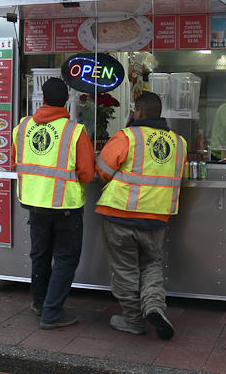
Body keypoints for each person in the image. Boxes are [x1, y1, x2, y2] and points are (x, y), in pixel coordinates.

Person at [95, 92, 187, 340]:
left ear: (139, 112)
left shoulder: (127, 136)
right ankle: (154, 306)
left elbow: (102, 170)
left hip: (120, 214)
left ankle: (134, 321)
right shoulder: (179, 142)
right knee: (151, 264)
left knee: (125, 270)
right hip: (157, 217)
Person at [11, 77, 95, 330]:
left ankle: (39, 304)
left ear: (43, 99)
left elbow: (15, 164)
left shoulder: (22, 128)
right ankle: (52, 312)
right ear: (67, 100)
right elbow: (87, 174)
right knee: (66, 259)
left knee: (40, 255)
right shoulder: (75, 132)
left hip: (34, 204)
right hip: (65, 207)